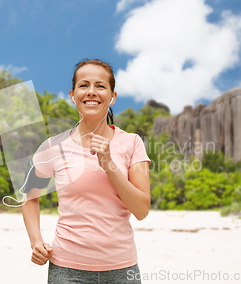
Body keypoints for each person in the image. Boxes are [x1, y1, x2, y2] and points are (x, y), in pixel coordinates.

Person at [22, 59, 151, 284]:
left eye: (100, 86)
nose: (91, 92)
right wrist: (36, 241)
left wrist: (109, 164)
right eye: (84, 85)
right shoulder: (52, 147)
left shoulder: (132, 143)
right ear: (73, 95)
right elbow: (30, 197)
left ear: (112, 96)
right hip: (66, 270)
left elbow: (141, 210)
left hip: (123, 270)